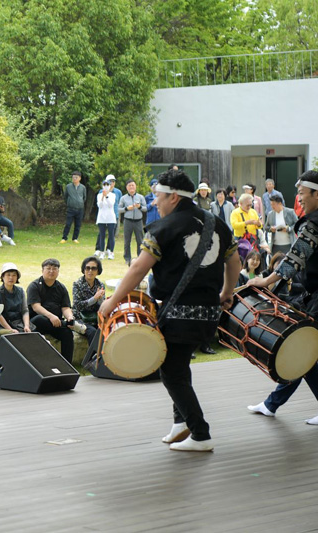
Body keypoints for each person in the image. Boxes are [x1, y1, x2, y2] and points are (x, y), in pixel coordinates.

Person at [99, 168, 239, 452]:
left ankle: (200, 434)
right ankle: (180, 422)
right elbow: (235, 262)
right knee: (179, 364)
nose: (154, 202)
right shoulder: (219, 225)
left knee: (172, 372)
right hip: (208, 314)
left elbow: (139, 267)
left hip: (178, 313)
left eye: (158, 197)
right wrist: (226, 293)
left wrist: (112, 301)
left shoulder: (164, 228)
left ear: (174, 198)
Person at [243, 171, 318, 421]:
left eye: (302, 193)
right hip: (313, 296)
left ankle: (271, 404)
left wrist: (264, 280)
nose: (299, 198)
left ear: (317, 193)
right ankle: (271, 404)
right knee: (308, 352)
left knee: (305, 351)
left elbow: (295, 258)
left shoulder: (314, 223)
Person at [27, 258, 77, 364]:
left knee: (67, 332)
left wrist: (70, 317)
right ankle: (67, 324)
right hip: (37, 323)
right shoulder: (34, 286)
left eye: (54, 269)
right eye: (48, 268)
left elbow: (65, 307)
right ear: (42, 270)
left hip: (56, 324)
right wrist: (52, 316)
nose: (51, 271)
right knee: (40, 319)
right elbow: (36, 307)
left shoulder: (61, 287)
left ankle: (67, 365)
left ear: (58, 272)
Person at [72, 256, 105, 349]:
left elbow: (102, 306)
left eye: (94, 268)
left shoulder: (100, 284)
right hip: (80, 318)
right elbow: (77, 305)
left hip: (94, 318)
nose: (90, 271)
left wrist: (100, 299)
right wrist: (94, 299)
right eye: (87, 268)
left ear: (98, 271)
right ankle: (93, 359)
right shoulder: (77, 284)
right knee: (92, 332)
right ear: (83, 269)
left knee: (105, 330)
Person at [0, 262, 31, 334]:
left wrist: (26, 326)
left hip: (18, 324)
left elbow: (25, 310)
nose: (11, 277)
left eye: (14, 275)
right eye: (8, 275)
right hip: (2, 325)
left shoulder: (20, 291)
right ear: (3, 277)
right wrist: (10, 329)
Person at [118, 179, 147, 266]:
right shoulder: (123, 198)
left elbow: (145, 208)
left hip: (138, 221)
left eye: (133, 185)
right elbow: (118, 209)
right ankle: (127, 258)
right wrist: (127, 208)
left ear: (135, 187)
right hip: (128, 221)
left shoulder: (141, 197)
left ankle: (140, 257)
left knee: (140, 240)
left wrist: (139, 207)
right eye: (129, 185)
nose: (131, 187)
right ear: (127, 188)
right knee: (127, 241)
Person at [60, 171, 87, 243]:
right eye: (73, 177)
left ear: (80, 178)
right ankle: (64, 238)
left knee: (78, 224)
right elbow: (65, 197)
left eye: (76, 177)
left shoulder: (83, 187)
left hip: (80, 209)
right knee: (68, 224)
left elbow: (84, 197)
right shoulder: (68, 186)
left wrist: (80, 202)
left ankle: (75, 238)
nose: (74, 179)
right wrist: (69, 203)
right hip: (71, 208)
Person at [95, 178, 117, 260]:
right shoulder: (99, 195)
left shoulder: (113, 195)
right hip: (101, 218)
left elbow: (110, 205)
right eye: (104, 185)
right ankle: (102, 252)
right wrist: (102, 197)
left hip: (110, 218)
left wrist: (106, 196)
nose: (106, 186)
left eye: (107, 185)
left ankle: (111, 252)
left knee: (111, 235)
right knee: (102, 235)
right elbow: (99, 205)